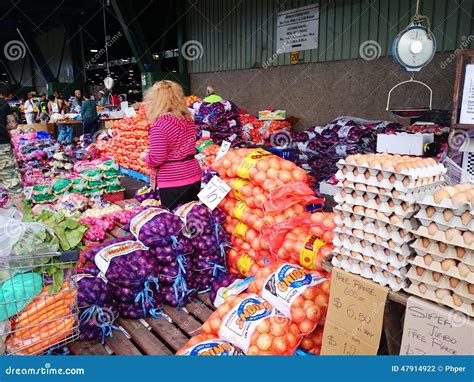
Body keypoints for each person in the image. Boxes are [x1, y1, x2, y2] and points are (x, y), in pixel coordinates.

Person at [142, 80, 202, 210]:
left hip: (173, 181)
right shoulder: (188, 120)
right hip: (193, 174)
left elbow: (157, 159)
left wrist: (146, 157)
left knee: (175, 220)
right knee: (192, 215)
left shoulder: (160, 125)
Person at [0, 82, 22, 195]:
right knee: (12, 184)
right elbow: (12, 125)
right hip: (1, 147)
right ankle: (24, 212)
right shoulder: (3, 103)